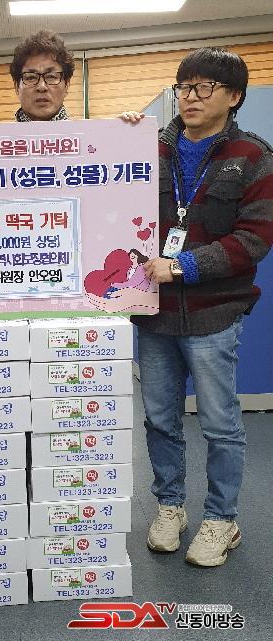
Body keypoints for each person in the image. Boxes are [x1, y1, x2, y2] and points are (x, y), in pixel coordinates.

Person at [130, 47, 273, 566]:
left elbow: (255, 238)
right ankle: (170, 506)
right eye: (183, 86)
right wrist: (116, 136)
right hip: (154, 312)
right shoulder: (149, 149)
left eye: (203, 87)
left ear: (234, 96)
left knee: (219, 423)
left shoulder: (253, 156)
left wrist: (185, 265)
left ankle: (221, 518)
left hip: (214, 314)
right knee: (160, 419)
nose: (189, 96)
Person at [10, 29, 142, 124]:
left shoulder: (92, 139)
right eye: (31, 77)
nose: (42, 86)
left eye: (51, 76)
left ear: (66, 85)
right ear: (17, 87)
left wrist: (121, 133)